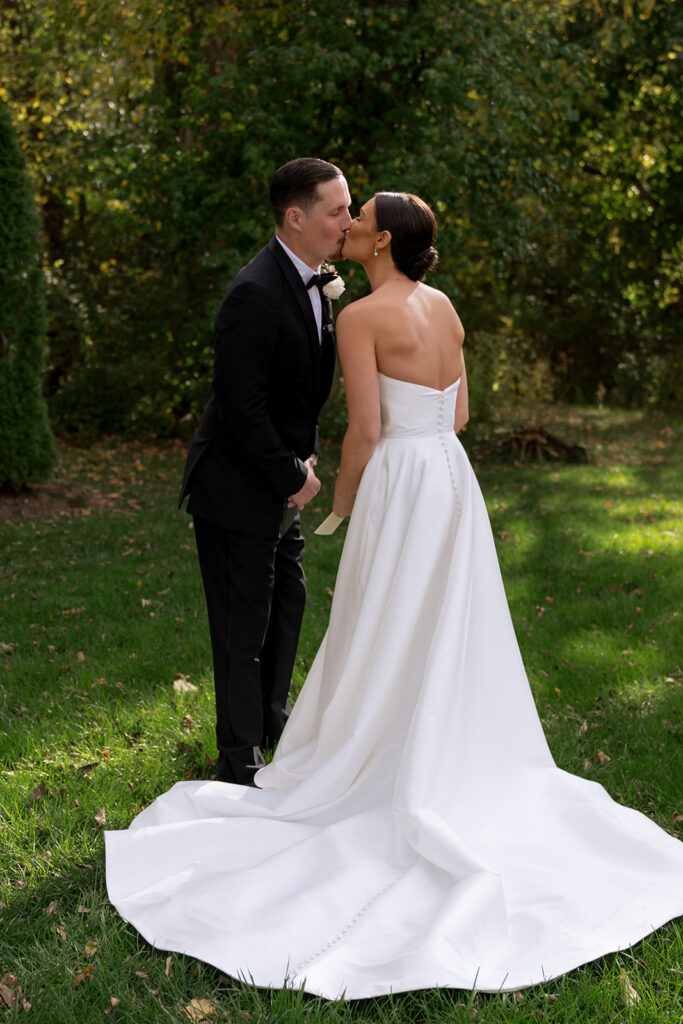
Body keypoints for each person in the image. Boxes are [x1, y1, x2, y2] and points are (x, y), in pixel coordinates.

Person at [107, 193, 683, 1000]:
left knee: (382, 622)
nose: (347, 223)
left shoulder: (361, 316)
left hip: (400, 482)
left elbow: (366, 432)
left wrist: (341, 503)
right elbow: (461, 412)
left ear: (379, 239)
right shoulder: (442, 306)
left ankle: (373, 748)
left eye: (358, 214)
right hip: (449, 477)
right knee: (446, 622)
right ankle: (434, 744)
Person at [178, 158, 352, 785]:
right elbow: (240, 407)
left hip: (283, 482)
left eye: (349, 208)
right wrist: (290, 474)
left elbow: (297, 393)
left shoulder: (318, 281)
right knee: (241, 629)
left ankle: (274, 727)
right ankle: (239, 761)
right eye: (336, 211)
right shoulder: (253, 292)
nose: (348, 221)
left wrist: (299, 462)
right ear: (295, 217)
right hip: (236, 490)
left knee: (287, 608)